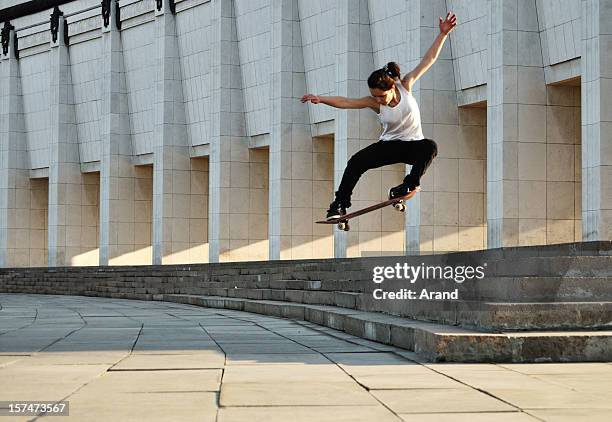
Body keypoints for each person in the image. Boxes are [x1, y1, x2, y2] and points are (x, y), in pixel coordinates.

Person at [302, 12, 457, 220]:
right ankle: (339, 204)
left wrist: (443, 34)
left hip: (414, 145)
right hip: (389, 146)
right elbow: (347, 102)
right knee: (355, 162)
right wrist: (321, 99)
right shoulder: (373, 102)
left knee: (430, 147)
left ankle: (406, 185)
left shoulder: (406, 85)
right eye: (375, 96)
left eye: (382, 96)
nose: (379, 100)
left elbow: (428, 60)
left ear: (392, 88)